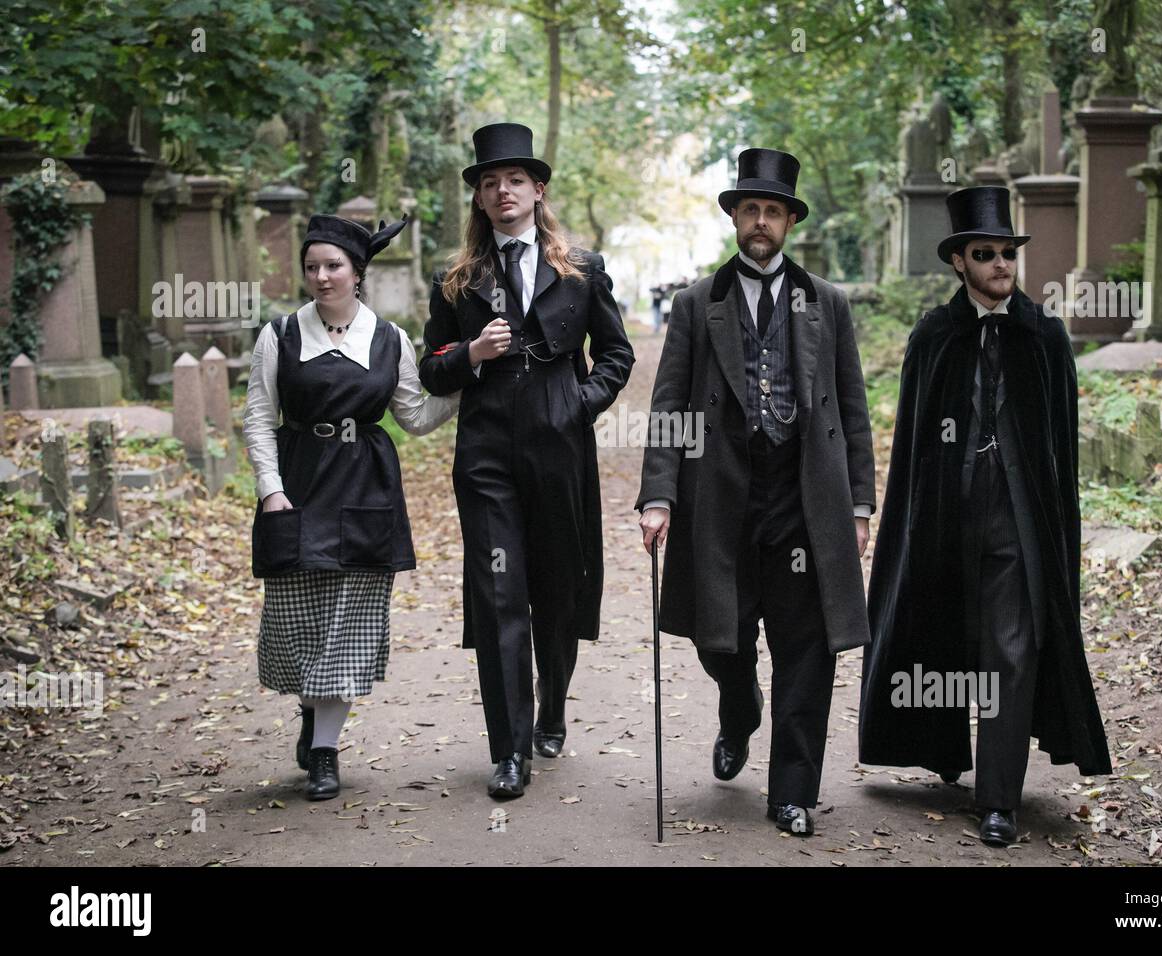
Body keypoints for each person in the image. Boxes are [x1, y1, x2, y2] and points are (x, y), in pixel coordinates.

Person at [857, 185, 1112, 846]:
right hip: (945, 519)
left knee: (1011, 650)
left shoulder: (1045, 337)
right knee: (942, 638)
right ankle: (945, 752)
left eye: (1006, 252)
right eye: (985, 253)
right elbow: (913, 448)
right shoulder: (935, 335)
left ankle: (998, 798)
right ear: (959, 262)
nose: (1001, 263)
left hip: (1019, 524)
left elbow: (1062, 451)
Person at [636, 148, 875, 836]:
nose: (761, 221)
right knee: (723, 641)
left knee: (808, 649)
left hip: (805, 501)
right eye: (751, 210)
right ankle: (739, 708)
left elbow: (851, 407)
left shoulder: (825, 303)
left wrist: (859, 503)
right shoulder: (696, 303)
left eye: (773, 210)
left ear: (790, 221)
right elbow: (669, 405)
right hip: (722, 498)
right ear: (735, 219)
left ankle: (793, 793)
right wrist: (659, 495)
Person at [419, 122, 634, 799]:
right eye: (490, 183)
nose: (503, 191)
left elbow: (617, 354)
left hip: (558, 444)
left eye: (514, 179)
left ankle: (552, 707)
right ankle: (508, 750)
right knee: (498, 595)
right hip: (485, 452)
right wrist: (469, 355)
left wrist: (579, 400)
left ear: (538, 190)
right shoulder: (456, 283)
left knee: (557, 591)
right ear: (480, 201)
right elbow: (431, 370)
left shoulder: (583, 269)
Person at [244, 212, 459, 801]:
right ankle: (314, 713)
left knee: (349, 626)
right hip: (299, 485)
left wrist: (471, 380)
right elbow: (260, 418)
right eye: (312, 267)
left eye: (333, 265)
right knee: (298, 623)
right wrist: (270, 488)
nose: (321, 276)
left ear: (357, 271)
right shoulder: (279, 335)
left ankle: (324, 751)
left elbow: (414, 417)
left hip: (366, 487)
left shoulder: (389, 340)